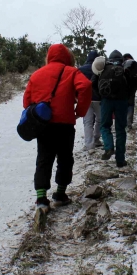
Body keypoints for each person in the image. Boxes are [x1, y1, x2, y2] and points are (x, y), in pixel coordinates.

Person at [23, 44, 92, 213]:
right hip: (65, 125)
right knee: (65, 159)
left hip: (44, 126)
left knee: (44, 159)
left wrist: (36, 114)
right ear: (67, 57)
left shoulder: (37, 74)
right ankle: (60, 195)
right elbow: (86, 86)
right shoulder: (71, 72)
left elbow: (27, 101)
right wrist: (79, 111)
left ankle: (41, 199)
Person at [92, 50, 132, 167]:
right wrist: (127, 97)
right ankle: (120, 160)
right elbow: (131, 84)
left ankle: (109, 147)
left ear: (109, 59)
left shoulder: (103, 68)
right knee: (120, 130)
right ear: (121, 59)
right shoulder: (124, 68)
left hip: (106, 101)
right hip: (121, 102)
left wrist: (101, 95)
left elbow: (93, 82)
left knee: (105, 126)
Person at [78, 50, 103, 151]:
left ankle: (89, 145)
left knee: (87, 122)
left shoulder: (80, 69)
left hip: (85, 99)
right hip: (98, 99)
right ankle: (96, 139)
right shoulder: (100, 68)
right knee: (100, 119)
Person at [122, 53, 137, 131]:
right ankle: (129, 123)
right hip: (133, 88)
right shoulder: (135, 65)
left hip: (124, 88)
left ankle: (123, 122)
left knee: (123, 104)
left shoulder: (122, 64)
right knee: (130, 104)